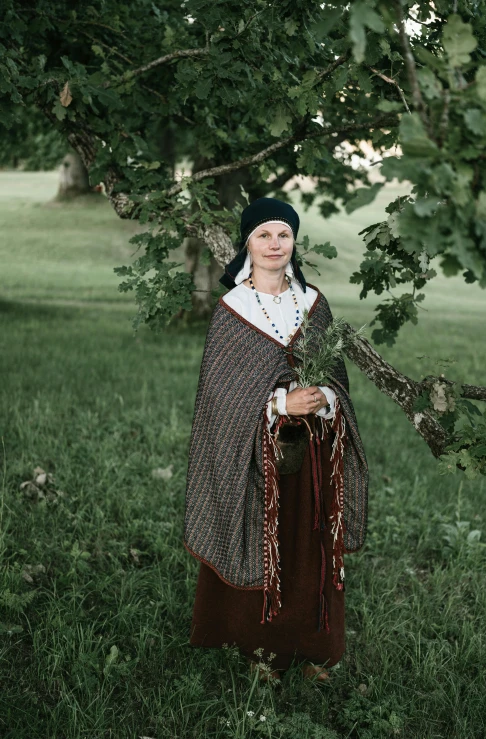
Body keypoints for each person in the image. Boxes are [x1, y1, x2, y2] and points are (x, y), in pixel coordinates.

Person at [183, 197, 369, 683]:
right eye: (264, 234)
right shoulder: (233, 310)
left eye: (283, 235)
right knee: (260, 546)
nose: (274, 244)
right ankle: (259, 650)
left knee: (308, 549)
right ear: (247, 242)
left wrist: (324, 396)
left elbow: (338, 382)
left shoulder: (313, 304)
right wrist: (279, 406)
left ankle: (312, 650)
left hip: (310, 458)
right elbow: (218, 399)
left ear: (294, 242)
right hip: (253, 458)